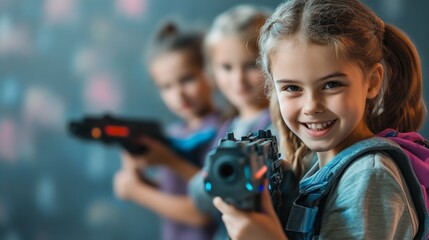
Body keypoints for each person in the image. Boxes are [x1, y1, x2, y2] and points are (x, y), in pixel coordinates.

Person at [213, 0, 429, 239]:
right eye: (292, 88)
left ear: (373, 81)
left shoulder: (368, 176)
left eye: (331, 85)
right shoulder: (318, 168)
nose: (311, 106)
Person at [188, 5, 300, 239]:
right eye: (226, 67)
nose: (238, 79)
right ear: (211, 70)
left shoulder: (282, 125)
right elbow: (198, 196)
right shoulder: (227, 126)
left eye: (250, 65)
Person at [113, 22, 220, 240]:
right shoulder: (175, 132)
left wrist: (137, 191)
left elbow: (203, 211)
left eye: (187, 79)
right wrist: (136, 171)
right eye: (166, 86)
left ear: (210, 72)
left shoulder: (223, 130)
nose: (178, 94)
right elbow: (171, 191)